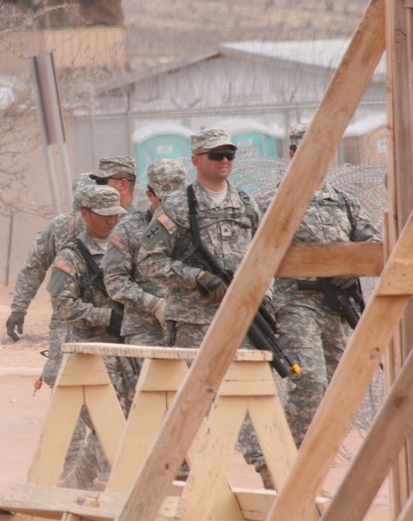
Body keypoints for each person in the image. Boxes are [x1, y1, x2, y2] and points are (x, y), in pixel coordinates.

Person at [138, 128, 272, 485]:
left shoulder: (246, 204)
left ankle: (265, 465)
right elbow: (150, 262)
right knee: (195, 400)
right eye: (216, 155)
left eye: (230, 154)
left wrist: (265, 298)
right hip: (194, 322)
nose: (225, 161)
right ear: (197, 160)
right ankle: (181, 472)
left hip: (242, 319)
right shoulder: (178, 207)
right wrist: (196, 277)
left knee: (248, 393)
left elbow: (264, 258)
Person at [259, 123, 381, 450]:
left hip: (337, 308)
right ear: (293, 155)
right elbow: (255, 251)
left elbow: (372, 244)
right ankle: (282, 457)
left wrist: (348, 266)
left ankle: (313, 464)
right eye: (307, 152)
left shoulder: (342, 203)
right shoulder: (274, 202)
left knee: (339, 388)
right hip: (295, 303)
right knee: (310, 380)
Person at [46, 184, 128, 489]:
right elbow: (64, 307)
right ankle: (109, 482)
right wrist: (108, 317)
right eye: (104, 215)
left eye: (116, 215)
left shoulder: (125, 246)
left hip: (126, 348)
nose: (111, 221)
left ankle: (79, 479)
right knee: (107, 419)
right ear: (85, 214)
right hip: (89, 352)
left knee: (129, 415)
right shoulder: (71, 256)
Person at [5, 172, 93, 388]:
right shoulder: (60, 227)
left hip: (105, 315)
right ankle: (74, 420)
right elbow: (34, 267)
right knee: (57, 374)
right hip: (66, 315)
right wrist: (19, 308)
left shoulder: (118, 224)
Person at [103, 159, 187, 351]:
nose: (172, 207)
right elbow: (114, 280)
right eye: (164, 201)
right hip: (146, 330)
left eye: (177, 200)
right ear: (150, 195)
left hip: (189, 327)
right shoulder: (129, 228)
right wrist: (154, 304)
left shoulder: (193, 227)